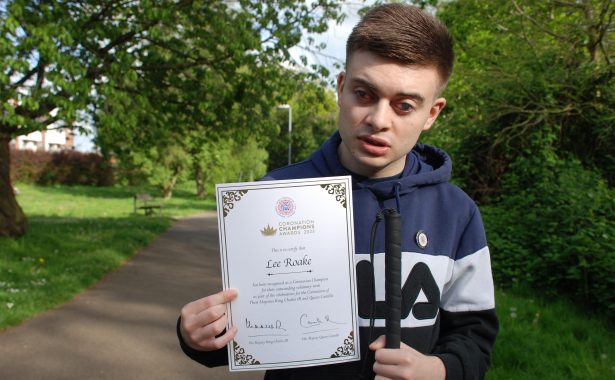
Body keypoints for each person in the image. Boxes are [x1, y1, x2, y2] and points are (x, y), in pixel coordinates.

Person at [177, 4, 499, 379]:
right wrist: (196, 336)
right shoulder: (270, 196)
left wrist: (440, 370)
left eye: (404, 105)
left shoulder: (457, 213)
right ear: (342, 88)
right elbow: (249, 330)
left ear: (431, 113)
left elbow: (475, 337)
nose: (379, 120)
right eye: (364, 94)